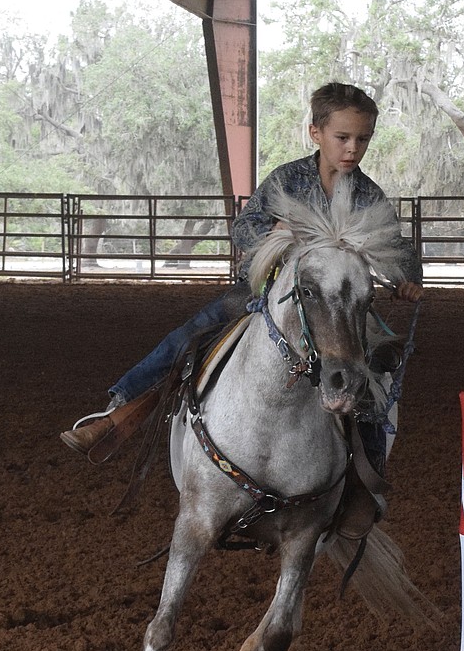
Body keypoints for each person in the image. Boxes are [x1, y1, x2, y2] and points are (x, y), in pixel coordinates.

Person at [60, 82, 423, 531]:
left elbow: (398, 248)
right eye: (342, 137)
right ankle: (118, 411)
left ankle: (363, 482)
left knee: (374, 371)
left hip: (334, 304)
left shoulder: (369, 195)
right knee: (192, 333)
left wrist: (408, 280)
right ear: (316, 133)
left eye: (362, 139)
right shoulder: (287, 180)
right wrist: (279, 248)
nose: (352, 149)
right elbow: (245, 226)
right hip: (262, 293)